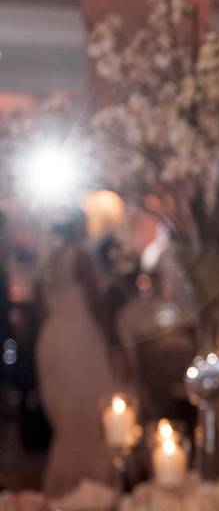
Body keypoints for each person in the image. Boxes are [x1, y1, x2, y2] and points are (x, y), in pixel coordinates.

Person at [34, 211, 115, 496]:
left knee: (68, 420)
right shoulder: (81, 256)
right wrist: (115, 346)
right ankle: (93, 488)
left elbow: (39, 303)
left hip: (52, 339)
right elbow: (97, 305)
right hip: (81, 340)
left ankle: (66, 488)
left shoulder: (49, 260)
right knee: (92, 413)